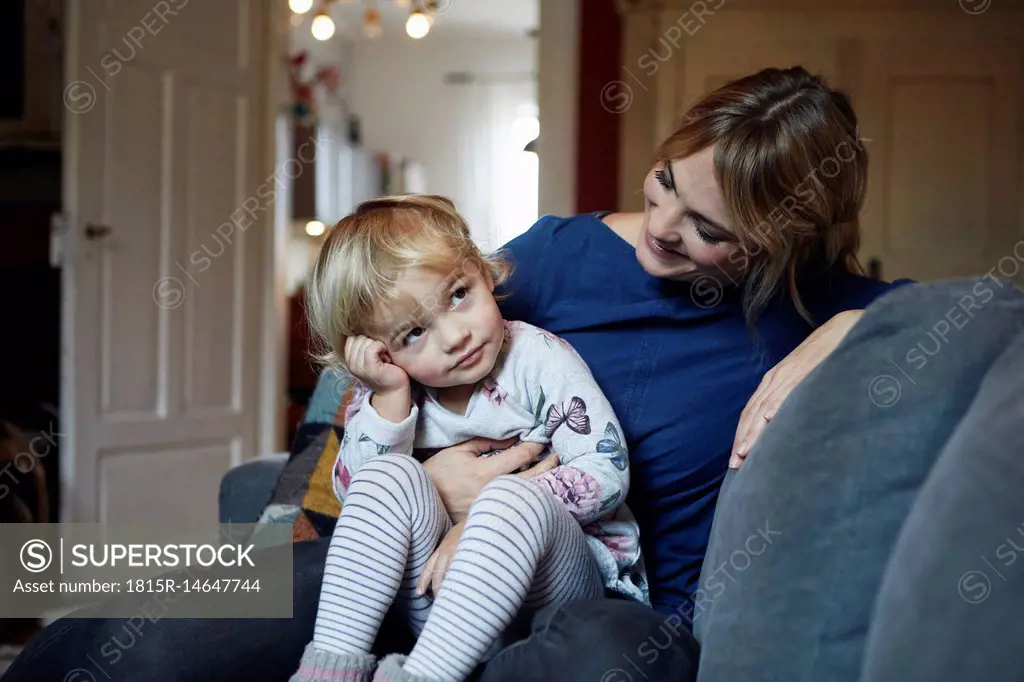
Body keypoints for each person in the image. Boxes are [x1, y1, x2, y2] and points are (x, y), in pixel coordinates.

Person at [4, 66, 906, 682]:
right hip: (407, 544)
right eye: (665, 182)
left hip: (595, 589)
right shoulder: (556, 253)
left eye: (710, 229)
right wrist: (389, 489)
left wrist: (846, 328)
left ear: (782, 239)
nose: (663, 226)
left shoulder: (809, 305)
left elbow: (986, 300)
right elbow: (392, 330)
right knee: (142, 638)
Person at [289, 195, 644, 682]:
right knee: (386, 476)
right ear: (378, 351)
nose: (455, 335)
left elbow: (608, 472)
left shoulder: (536, 359)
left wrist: (479, 520)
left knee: (511, 499)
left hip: (557, 588)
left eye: (459, 294)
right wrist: (390, 399)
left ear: (483, 270)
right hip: (440, 605)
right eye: (414, 332)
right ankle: (329, 670)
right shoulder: (387, 391)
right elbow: (357, 502)